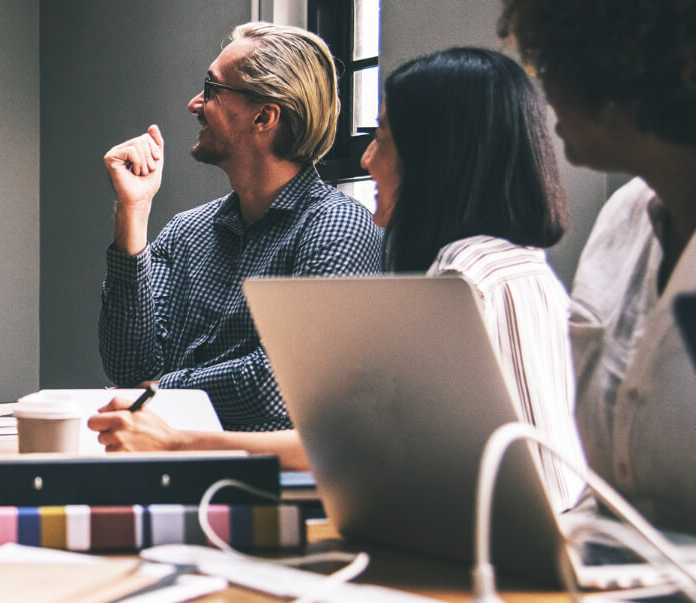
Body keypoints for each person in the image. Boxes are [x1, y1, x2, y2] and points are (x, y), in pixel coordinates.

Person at [91, 47, 586, 512]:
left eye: (383, 139)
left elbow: (349, 435)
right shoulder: (507, 268)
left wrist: (169, 417)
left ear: (436, 159)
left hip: (513, 556)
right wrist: (133, 215)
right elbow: (129, 364)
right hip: (520, 539)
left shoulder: (462, 280)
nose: (367, 160)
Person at [98, 22, 383, 433]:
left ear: (264, 116)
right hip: (165, 468)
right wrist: (133, 210)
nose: (195, 103)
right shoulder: (186, 232)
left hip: (260, 487)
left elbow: (279, 387)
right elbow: (128, 367)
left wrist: (159, 391)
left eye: (211, 88)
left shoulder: (337, 227)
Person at [501, 0, 696, 533]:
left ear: (619, 69)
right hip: (605, 586)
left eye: (554, 64)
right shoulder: (620, 221)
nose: (545, 91)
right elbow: (606, 495)